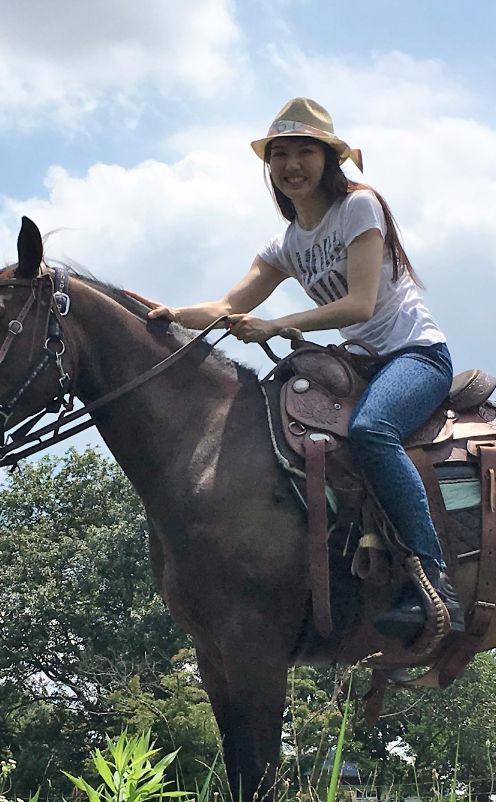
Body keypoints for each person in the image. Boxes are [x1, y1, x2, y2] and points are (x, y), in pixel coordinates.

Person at [146, 97, 463, 642]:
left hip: (415, 355)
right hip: (362, 361)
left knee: (371, 430)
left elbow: (360, 305)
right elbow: (227, 306)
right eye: (280, 155)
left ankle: (435, 580)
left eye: (304, 152)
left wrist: (276, 324)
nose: (291, 165)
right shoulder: (286, 244)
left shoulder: (360, 207)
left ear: (329, 159)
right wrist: (170, 314)